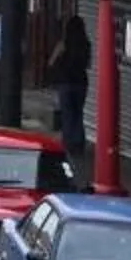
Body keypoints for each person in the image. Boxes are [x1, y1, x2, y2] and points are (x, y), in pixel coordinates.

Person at [46, 16, 91, 164]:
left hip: (65, 82)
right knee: (78, 113)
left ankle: (68, 144)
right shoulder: (86, 44)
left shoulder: (63, 44)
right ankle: (78, 144)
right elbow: (88, 64)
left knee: (67, 114)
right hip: (81, 82)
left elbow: (51, 62)